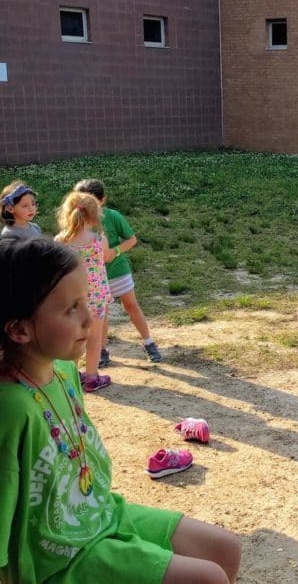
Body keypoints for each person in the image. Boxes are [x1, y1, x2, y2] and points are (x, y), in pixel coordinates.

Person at [0, 237, 241, 583]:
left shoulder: (65, 370)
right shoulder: (10, 409)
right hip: (56, 561)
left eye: (87, 301)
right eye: (71, 308)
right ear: (19, 329)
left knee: (225, 550)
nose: (90, 317)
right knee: (208, 579)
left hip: (100, 514)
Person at [73, 179, 162, 365]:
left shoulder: (113, 216)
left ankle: (148, 342)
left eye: (91, 202)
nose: (86, 206)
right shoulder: (77, 222)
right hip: (94, 278)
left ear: (102, 200)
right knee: (101, 313)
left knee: (131, 305)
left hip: (117, 271)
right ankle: (102, 350)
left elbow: (132, 239)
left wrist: (116, 251)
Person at [54, 192, 112, 393]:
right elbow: (105, 257)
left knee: (73, 337)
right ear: (94, 215)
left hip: (71, 297)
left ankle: (71, 376)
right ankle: (92, 378)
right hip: (96, 296)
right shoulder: (98, 238)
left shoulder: (60, 240)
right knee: (94, 338)